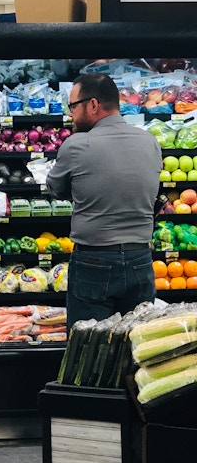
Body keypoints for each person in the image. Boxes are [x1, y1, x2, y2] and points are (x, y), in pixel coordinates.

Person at [47, 73, 161, 330]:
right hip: (141, 259)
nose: (71, 115)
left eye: (73, 107)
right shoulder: (150, 141)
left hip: (93, 261)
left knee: (88, 349)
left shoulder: (77, 144)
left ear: (93, 105)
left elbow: (55, 189)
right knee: (135, 346)